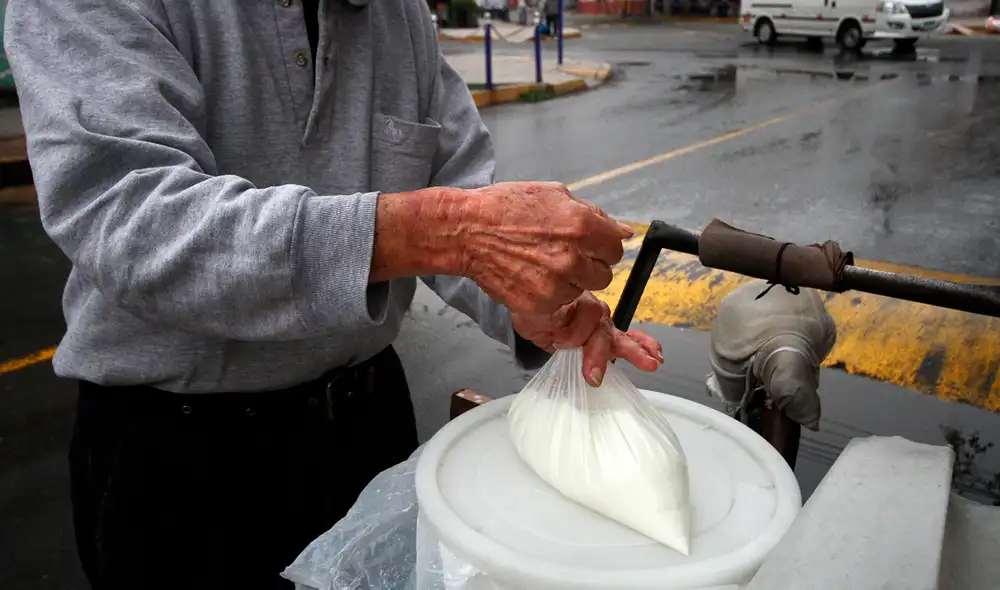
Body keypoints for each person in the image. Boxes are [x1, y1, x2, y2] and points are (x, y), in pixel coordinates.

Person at [6, 0, 663, 589]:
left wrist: (540, 308)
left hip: (366, 430)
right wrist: (439, 234)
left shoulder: (399, 17)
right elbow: (132, 223)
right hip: (176, 464)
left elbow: (461, 182)